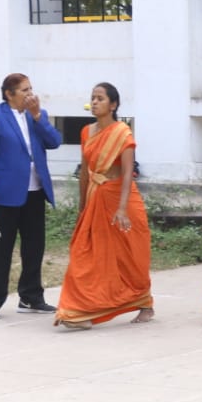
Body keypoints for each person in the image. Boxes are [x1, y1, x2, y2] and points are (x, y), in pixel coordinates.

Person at [54, 83, 154, 330]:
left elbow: (129, 172)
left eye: (100, 98)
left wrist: (121, 209)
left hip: (122, 200)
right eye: (92, 98)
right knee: (85, 253)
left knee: (130, 257)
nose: (95, 102)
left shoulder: (122, 133)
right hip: (95, 198)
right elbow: (86, 173)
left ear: (113, 104)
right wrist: (81, 207)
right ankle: (79, 309)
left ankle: (144, 302)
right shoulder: (87, 132)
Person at [0, 73, 61, 320]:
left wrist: (37, 117)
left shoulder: (38, 115)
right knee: (1, 249)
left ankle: (31, 296)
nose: (30, 94)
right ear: (9, 94)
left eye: (31, 89)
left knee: (34, 247)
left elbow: (54, 142)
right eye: (24, 90)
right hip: (4, 193)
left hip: (35, 191)